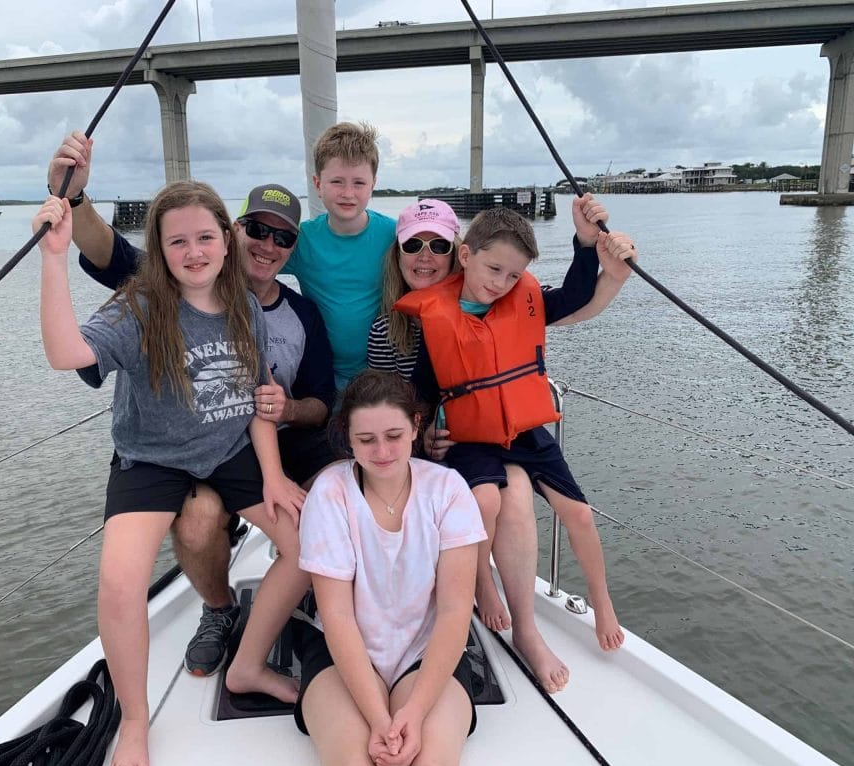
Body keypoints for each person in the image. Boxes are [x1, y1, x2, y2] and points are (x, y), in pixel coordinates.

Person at [34, 182, 310, 766]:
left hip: (230, 448)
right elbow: (67, 353)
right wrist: (54, 258)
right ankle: (135, 720)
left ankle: (250, 662)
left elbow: (260, 403)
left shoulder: (242, 306)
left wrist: (276, 477)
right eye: (177, 240)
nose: (194, 251)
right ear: (158, 248)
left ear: (226, 242)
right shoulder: (140, 307)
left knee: (309, 546)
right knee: (118, 584)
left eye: (206, 237)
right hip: (150, 458)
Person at [47, 131, 338, 679]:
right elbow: (104, 249)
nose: (267, 243)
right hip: (160, 452)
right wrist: (72, 202)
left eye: (282, 237)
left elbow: (322, 402)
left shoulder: (294, 313)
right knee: (195, 524)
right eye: (256, 228)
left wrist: (288, 410)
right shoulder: (156, 283)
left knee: (325, 523)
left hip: (251, 442)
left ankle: (264, 639)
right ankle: (219, 610)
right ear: (236, 233)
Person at [393, 204, 636, 694]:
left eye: (513, 274)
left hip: (524, 432)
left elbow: (571, 297)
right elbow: (420, 390)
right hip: (469, 437)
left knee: (581, 514)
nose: (501, 282)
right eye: (493, 269)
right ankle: (485, 583)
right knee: (483, 501)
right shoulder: (436, 318)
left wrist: (585, 244)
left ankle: (601, 599)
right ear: (465, 255)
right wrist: (420, 436)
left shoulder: (524, 299)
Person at [296, 370, 486, 766]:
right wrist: (380, 719)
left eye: (393, 436)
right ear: (347, 436)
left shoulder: (449, 490)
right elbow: (338, 616)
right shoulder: (330, 493)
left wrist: (412, 714)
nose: (381, 451)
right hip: (342, 655)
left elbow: (454, 610)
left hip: (425, 651)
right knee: (354, 762)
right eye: (366, 440)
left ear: (416, 426)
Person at [281, 121, 398, 390]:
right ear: (318, 183)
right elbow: (254, 261)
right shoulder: (302, 239)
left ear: (373, 185)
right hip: (323, 374)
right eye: (336, 182)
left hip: (383, 372)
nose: (348, 193)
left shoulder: (394, 235)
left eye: (359, 183)